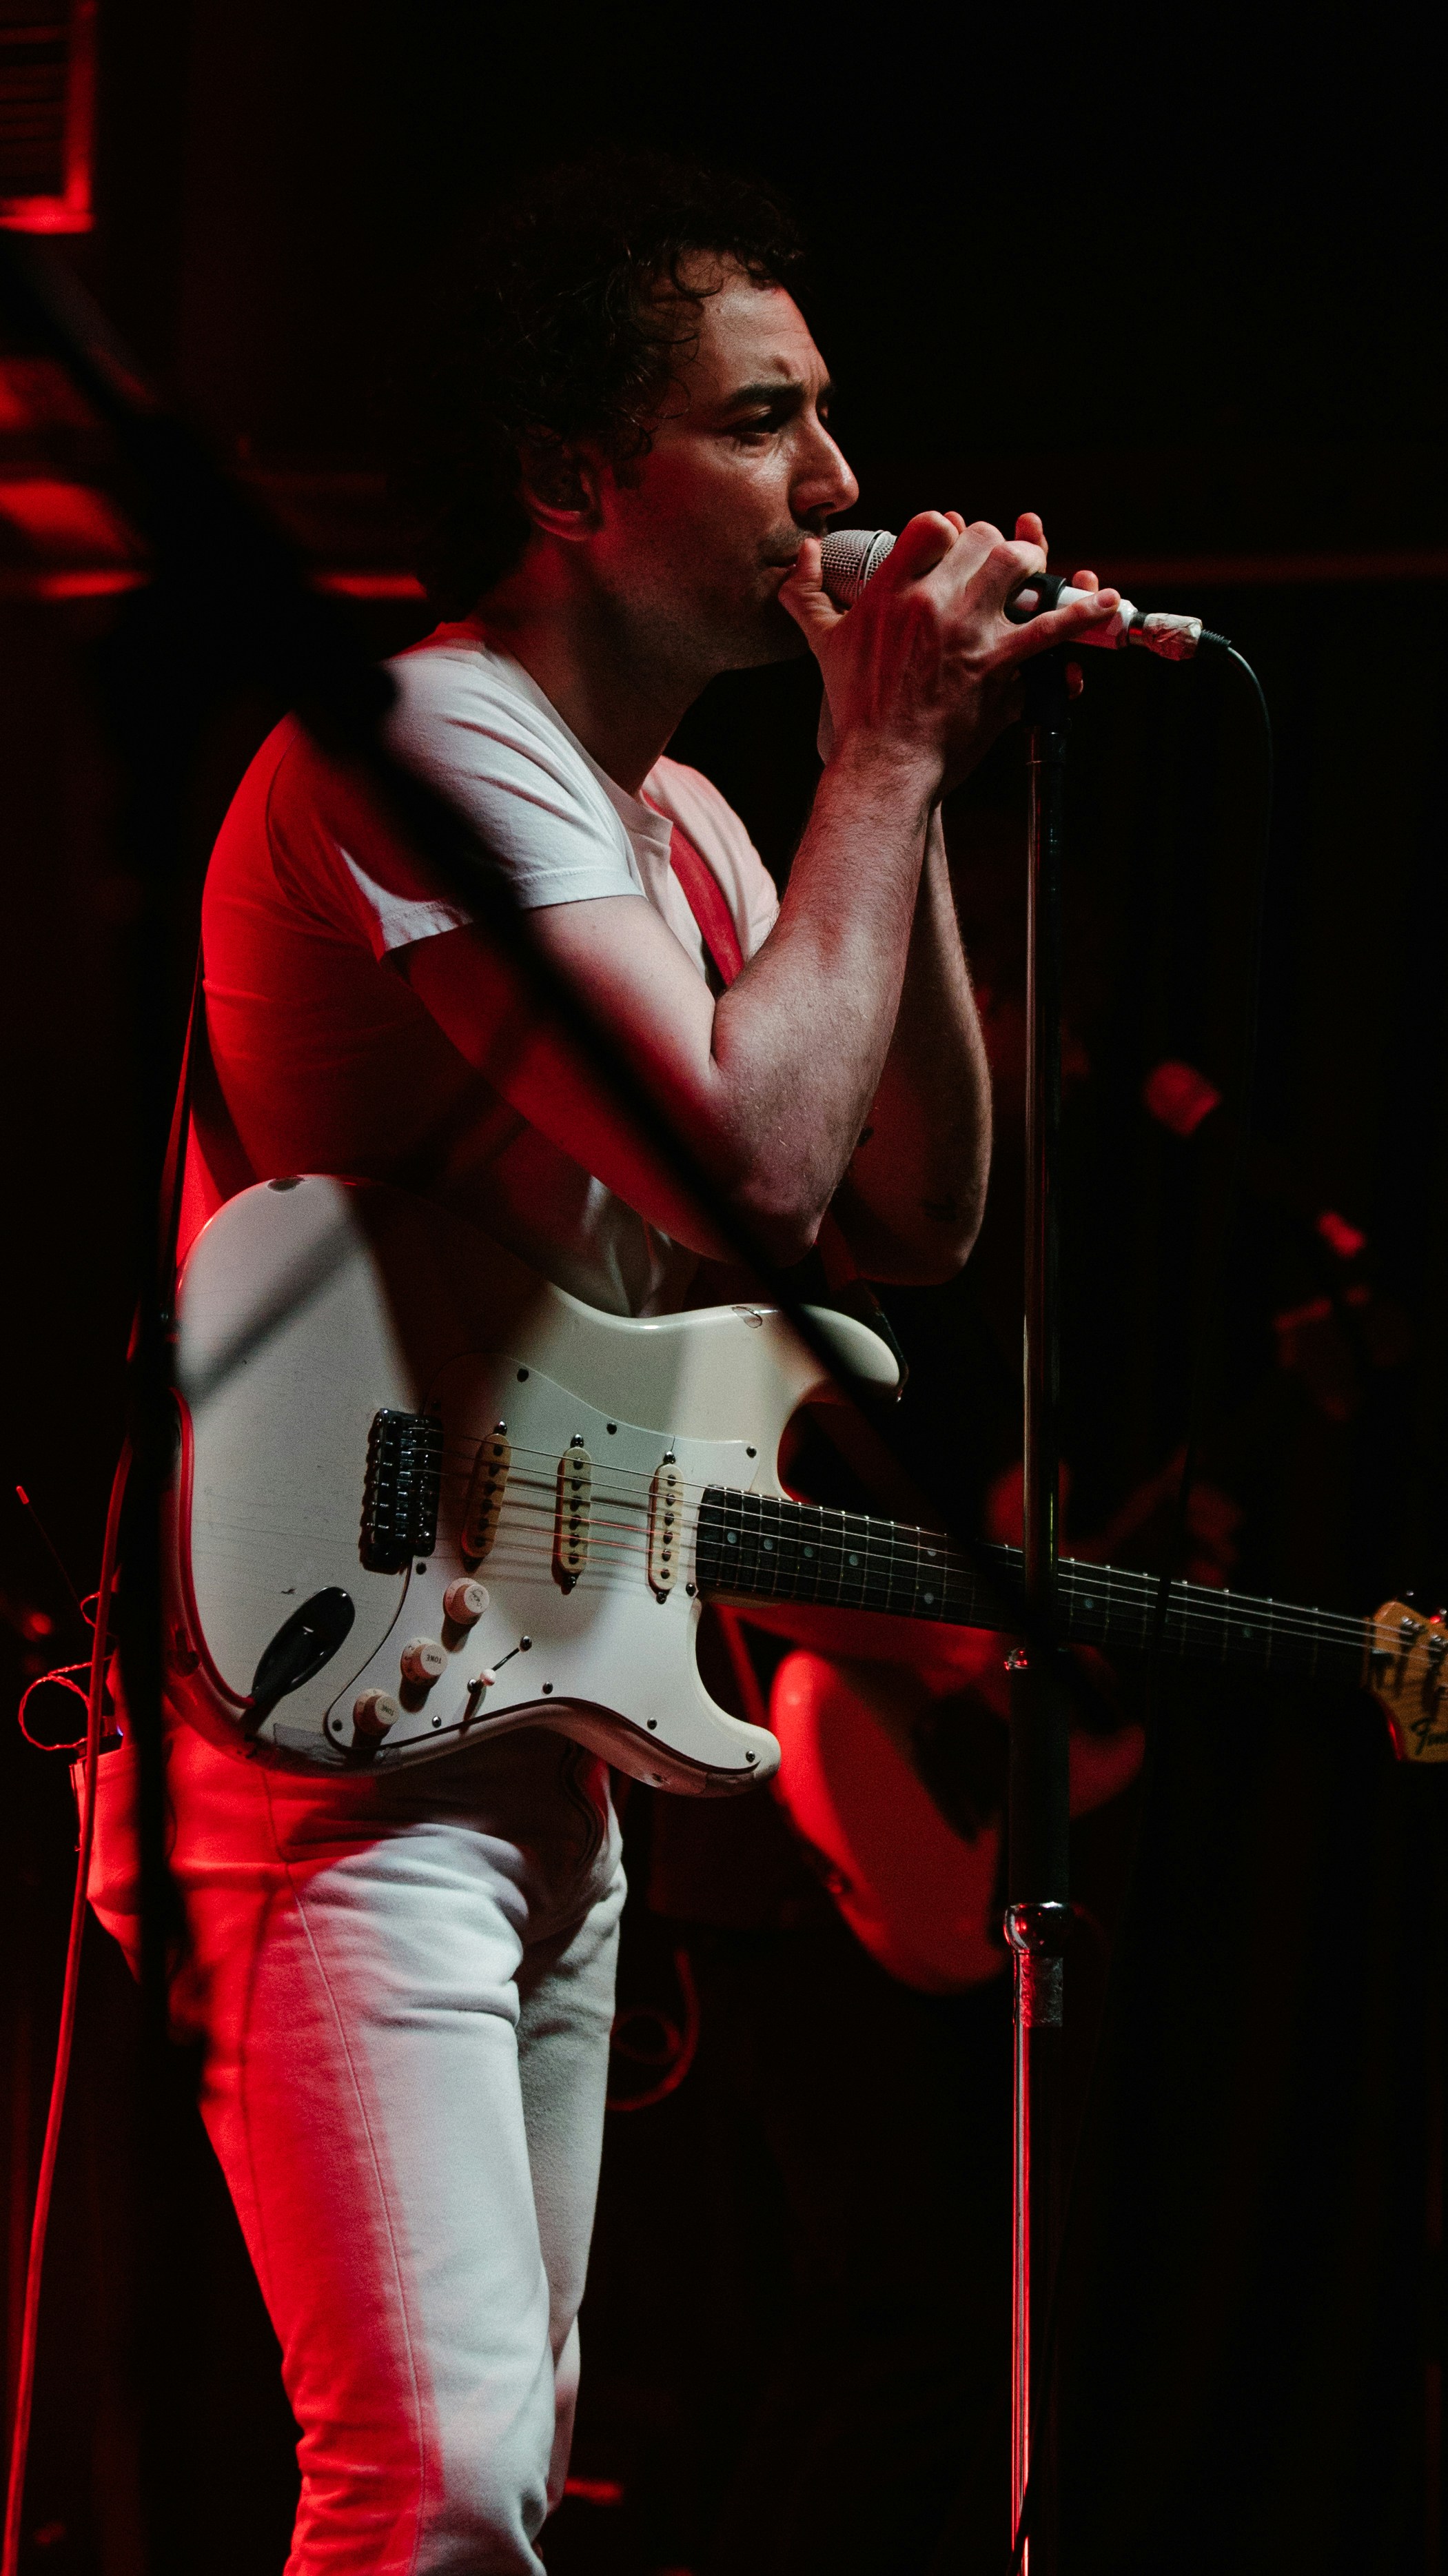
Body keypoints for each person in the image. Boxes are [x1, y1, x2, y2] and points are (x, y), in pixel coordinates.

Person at [88, 152, 1123, 2575]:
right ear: (574, 478)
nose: (846, 491)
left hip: (532, 1724)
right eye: (769, 422)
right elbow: (754, 1165)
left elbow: (916, 1216)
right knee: (430, 2488)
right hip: (320, 1743)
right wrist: (870, 764)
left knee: (503, 2480)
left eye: (830, 419)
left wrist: (924, 783)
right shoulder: (428, 744)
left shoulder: (676, 828)